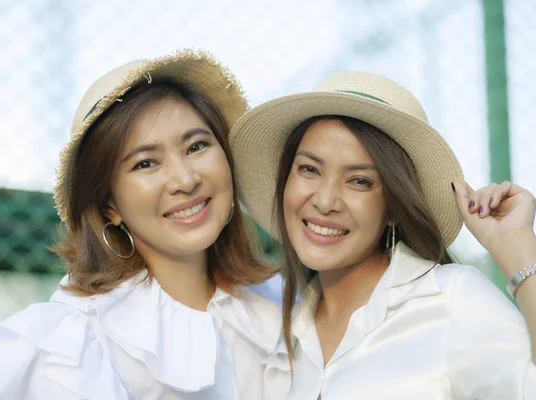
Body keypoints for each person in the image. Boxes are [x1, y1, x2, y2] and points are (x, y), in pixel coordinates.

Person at [0, 50, 288, 400]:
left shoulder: (279, 305)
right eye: (146, 163)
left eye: (197, 146)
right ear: (110, 206)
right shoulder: (68, 343)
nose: (184, 179)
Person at [228, 71, 536, 398]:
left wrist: (517, 247)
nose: (325, 200)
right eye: (309, 169)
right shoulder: (277, 342)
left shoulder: (451, 300)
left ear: (393, 208)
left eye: (359, 180)